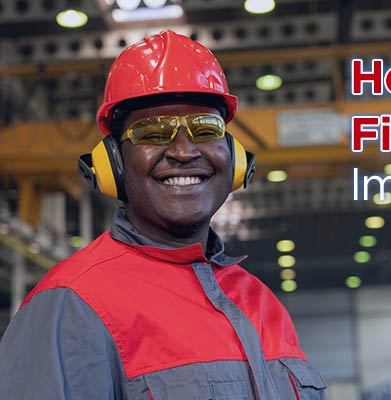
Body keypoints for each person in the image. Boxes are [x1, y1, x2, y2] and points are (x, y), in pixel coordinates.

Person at [0, 30, 326, 399]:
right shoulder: (72, 306)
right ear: (114, 163)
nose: (184, 151)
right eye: (152, 133)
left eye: (205, 129)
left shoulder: (262, 303)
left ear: (233, 158)